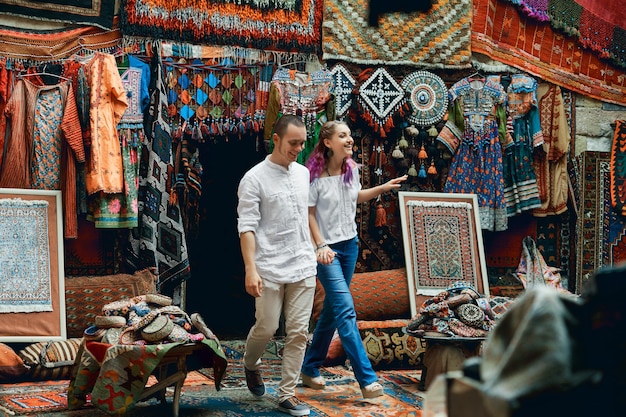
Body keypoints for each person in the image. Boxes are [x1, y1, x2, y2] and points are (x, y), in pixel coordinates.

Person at [301, 120, 407, 398]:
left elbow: (355, 197)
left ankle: (310, 367)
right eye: (343, 136)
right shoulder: (314, 176)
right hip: (326, 252)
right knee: (346, 311)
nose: (349, 140)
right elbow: (308, 214)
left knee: (332, 312)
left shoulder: (351, 170)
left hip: (350, 246)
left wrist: (383, 188)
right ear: (327, 142)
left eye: (349, 135)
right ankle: (367, 379)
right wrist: (320, 244)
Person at [236, 114, 318, 416]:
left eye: (302, 142)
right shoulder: (254, 178)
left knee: (297, 332)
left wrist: (318, 247)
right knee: (267, 326)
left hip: (303, 264)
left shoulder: (303, 174)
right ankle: (250, 362)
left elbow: (306, 217)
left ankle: (287, 393)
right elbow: (247, 227)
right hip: (268, 265)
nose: (299, 148)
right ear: (277, 139)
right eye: (293, 143)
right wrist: (250, 268)